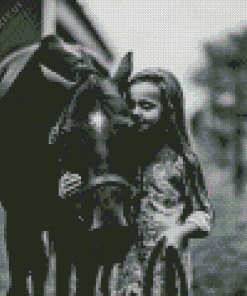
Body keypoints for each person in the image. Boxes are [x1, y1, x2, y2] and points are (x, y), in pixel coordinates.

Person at [111, 68, 214, 295]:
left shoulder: (181, 160)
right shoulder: (118, 158)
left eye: (147, 106)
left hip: (165, 265)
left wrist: (179, 232)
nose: (136, 112)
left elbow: (203, 214)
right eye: (130, 105)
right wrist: (71, 189)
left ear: (169, 110)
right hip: (126, 268)